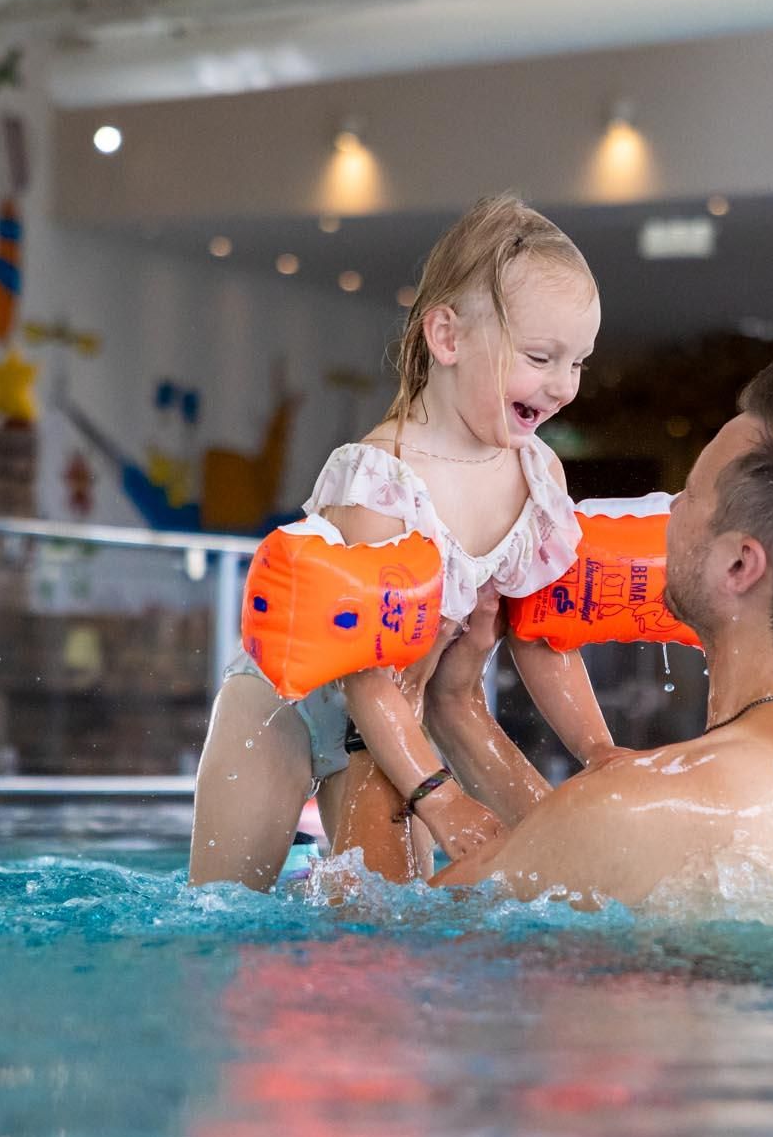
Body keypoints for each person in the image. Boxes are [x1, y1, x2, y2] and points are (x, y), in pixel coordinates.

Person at [188, 196, 625, 889]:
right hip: (286, 706)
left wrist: (599, 752)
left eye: (579, 363)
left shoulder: (538, 474)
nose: (563, 386)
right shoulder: (380, 479)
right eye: (542, 357)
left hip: (398, 714)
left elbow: (543, 637)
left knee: (390, 917)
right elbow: (362, 672)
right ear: (447, 338)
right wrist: (439, 796)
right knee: (223, 906)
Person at [422, 351, 773, 909]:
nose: (669, 509)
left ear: (739, 565)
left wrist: (405, 689)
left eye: (691, 495)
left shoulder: (646, 803)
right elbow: (598, 864)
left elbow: (399, 935)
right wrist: (457, 706)